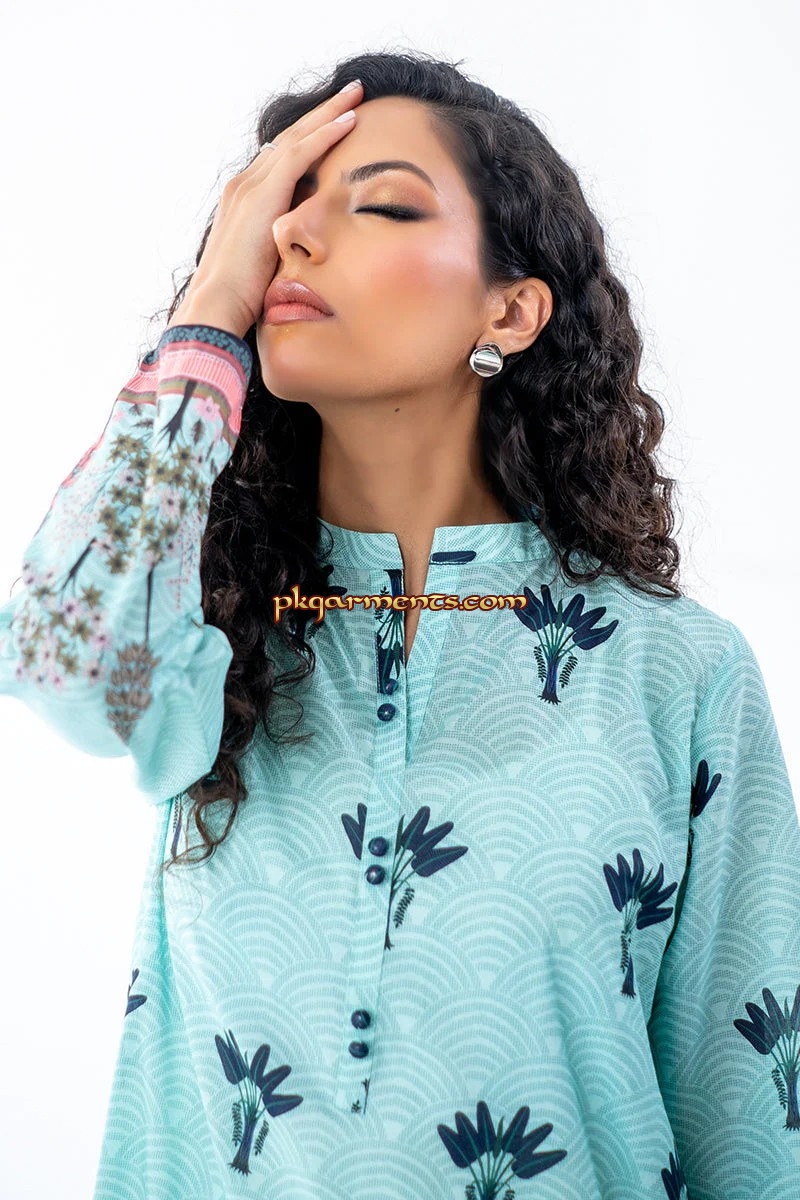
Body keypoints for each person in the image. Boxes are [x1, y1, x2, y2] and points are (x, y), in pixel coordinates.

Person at [1, 49, 798, 1200]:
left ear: (509, 309)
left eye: (377, 204)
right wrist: (210, 310)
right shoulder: (211, 643)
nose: (291, 235)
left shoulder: (674, 672)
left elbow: (755, 1127)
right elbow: (55, 649)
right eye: (275, 209)